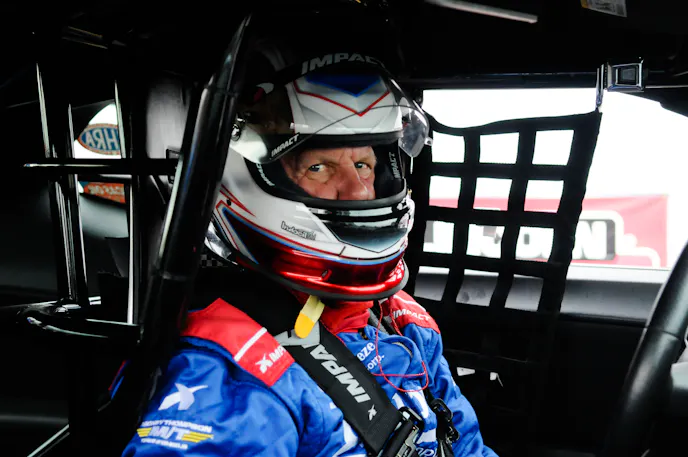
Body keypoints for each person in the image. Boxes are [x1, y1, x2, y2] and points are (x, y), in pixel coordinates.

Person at [119, 22, 498, 457]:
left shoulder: (401, 319)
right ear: (248, 179)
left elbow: (467, 447)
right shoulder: (236, 374)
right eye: (319, 167)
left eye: (364, 164)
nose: (359, 191)